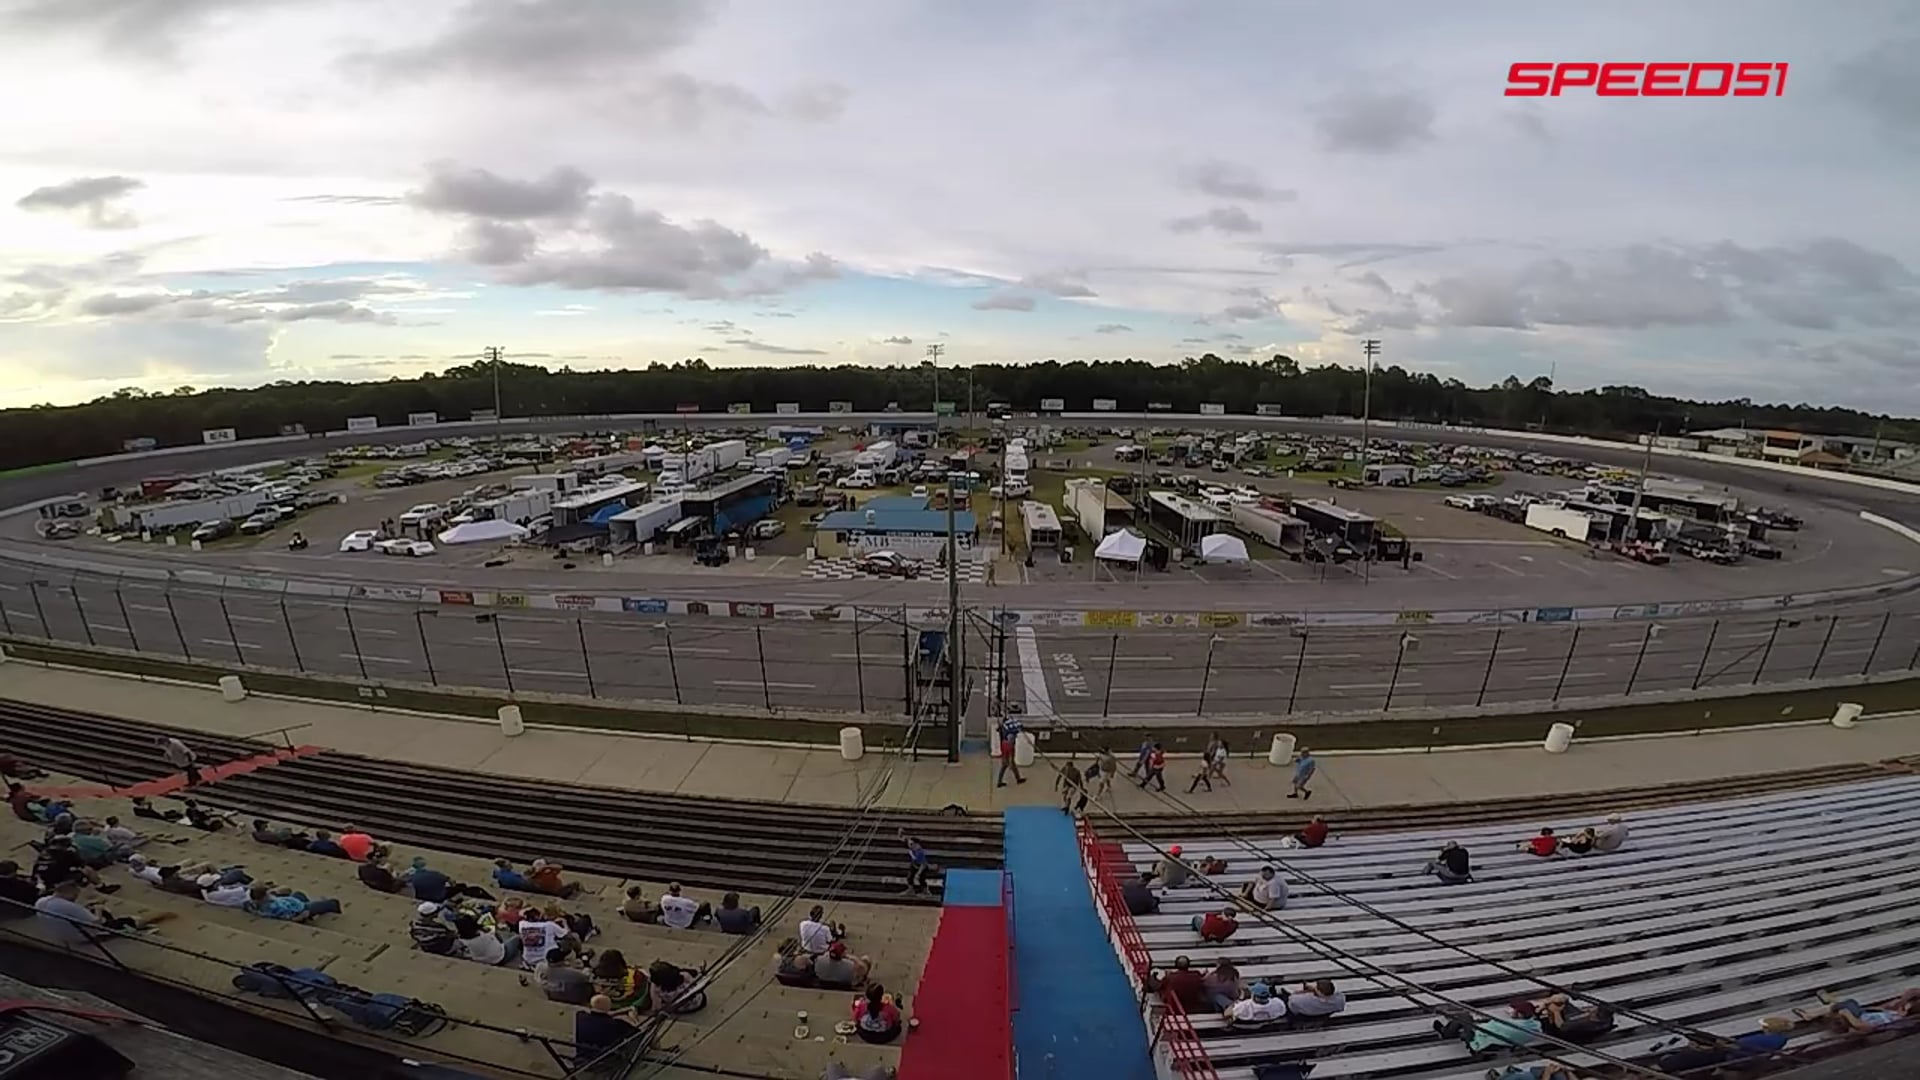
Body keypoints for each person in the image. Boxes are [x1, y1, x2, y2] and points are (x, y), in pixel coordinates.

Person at [35, 880, 174, 945]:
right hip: (85, 936)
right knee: (135, 919)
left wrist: (89, 907)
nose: (76, 897)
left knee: (97, 910)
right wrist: (98, 908)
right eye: (75, 894)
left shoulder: (41, 901)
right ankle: (136, 926)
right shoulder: (69, 906)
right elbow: (97, 922)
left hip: (63, 935)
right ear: (68, 892)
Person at [572, 995, 642, 1066]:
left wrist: (614, 1013)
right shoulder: (617, 1024)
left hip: (582, 1057)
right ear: (609, 1007)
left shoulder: (580, 1016)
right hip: (605, 1060)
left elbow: (597, 1014)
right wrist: (635, 1020)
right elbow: (639, 1034)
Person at [246, 885, 342, 922]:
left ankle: (315, 907)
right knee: (333, 903)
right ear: (264, 897)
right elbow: (287, 916)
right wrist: (301, 916)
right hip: (301, 909)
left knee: (299, 893)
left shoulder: (256, 905)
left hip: (292, 901)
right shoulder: (274, 907)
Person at [455, 913, 521, 966]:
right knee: (517, 938)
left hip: (482, 960)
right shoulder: (483, 936)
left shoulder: (463, 940)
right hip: (500, 957)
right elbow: (496, 936)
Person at [996, 716, 1026, 787]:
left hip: (1003, 745)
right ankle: (1018, 779)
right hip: (1010, 745)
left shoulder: (1003, 728)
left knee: (1005, 764)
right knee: (1011, 762)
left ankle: (1000, 781)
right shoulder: (1012, 728)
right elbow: (1019, 729)